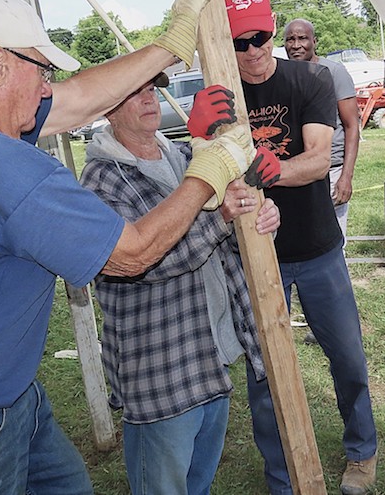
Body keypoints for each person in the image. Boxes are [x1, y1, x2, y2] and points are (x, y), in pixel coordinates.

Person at [0, 0, 257, 495]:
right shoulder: (0, 165)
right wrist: (207, 174)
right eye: (42, 72)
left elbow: (80, 99)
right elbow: (132, 253)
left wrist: (167, 48)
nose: (47, 89)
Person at [78, 76, 281, 494]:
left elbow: (228, 240)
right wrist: (220, 217)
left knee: (198, 484)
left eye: (151, 89)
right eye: (134, 92)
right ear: (109, 109)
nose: (148, 98)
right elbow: (142, 261)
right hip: (159, 371)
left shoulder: (188, 156)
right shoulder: (101, 182)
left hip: (209, 357)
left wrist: (260, 216)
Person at [224, 0, 378, 495]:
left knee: (347, 357)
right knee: (264, 372)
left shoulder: (309, 78)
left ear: (272, 29)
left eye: (260, 37)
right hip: (256, 255)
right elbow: (210, 175)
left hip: (315, 247)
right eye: (240, 42)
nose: (252, 51)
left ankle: (362, 451)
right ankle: (281, 476)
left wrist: (270, 171)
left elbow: (316, 160)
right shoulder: (223, 94)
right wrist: (206, 142)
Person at [283, 18, 360, 245]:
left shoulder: (333, 72)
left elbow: (352, 126)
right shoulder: (283, 75)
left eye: (302, 38)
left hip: (331, 169)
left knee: (334, 241)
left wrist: (346, 177)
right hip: (296, 170)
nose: (296, 45)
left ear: (314, 41)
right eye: (290, 39)